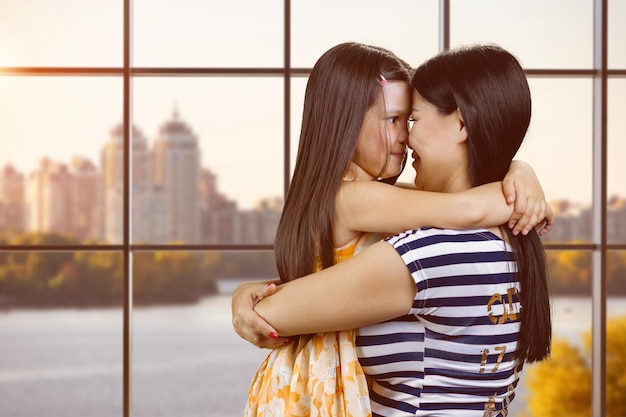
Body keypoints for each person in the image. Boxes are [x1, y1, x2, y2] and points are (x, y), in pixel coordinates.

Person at [233, 44, 552, 416]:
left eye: (412, 119)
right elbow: (458, 210)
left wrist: (252, 299)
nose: (406, 137)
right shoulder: (499, 241)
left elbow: (279, 312)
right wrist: (520, 177)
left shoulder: (429, 254)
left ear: (462, 123)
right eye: (395, 120)